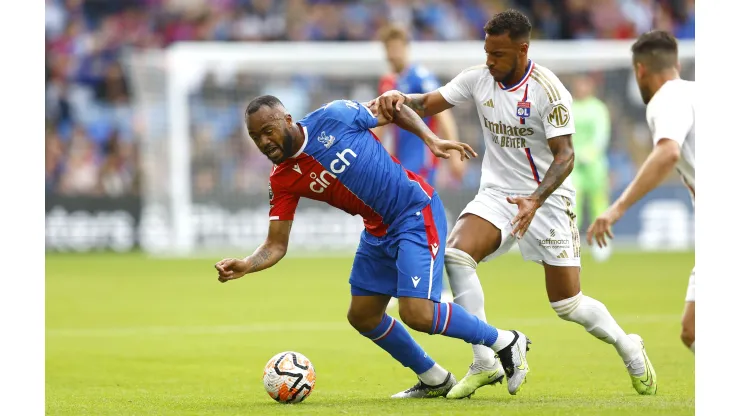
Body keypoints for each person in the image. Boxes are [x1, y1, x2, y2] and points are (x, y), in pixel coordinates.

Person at [373, 9, 656, 398]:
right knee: (456, 256)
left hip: (549, 201)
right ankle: (486, 360)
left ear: (523, 50)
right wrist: (398, 99)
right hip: (497, 195)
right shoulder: (478, 77)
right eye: (487, 52)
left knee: (568, 303)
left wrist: (536, 201)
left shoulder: (550, 91)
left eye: (498, 54)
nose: (489, 61)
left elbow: (565, 156)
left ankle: (628, 345)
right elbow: (425, 103)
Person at [214, 95, 532, 398]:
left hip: (413, 212)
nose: (263, 142)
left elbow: (394, 108)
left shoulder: (334, 116)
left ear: (287, 120)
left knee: (417, 313)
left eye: (268, 131)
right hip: (377, 229)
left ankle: (505, 340)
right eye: (256, 137)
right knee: (364, 316)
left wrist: (430, 140)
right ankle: (434, 378)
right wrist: (246, 264)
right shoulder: (282, 179)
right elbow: (275, 245)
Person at [587, 30, 695, 354]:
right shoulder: (699, 92)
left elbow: (667, 153)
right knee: (693, 330)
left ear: (640, 71)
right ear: (675, 63)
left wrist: (616, 209)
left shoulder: (666, 99)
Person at [376, 23, 462, 306]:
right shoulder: (387, 83)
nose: (393, 52)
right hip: (399, 164)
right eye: (389, 48)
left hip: (423, 162)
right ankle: (398, 285)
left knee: (424, 222)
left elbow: (443, 113)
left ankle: (439, 286)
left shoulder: (420, 77)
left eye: (397, 46)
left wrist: (455, 154)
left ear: (405, 47)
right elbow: (380, 126)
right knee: (396, 222)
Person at [570, 74, 613, 262]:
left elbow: (601, 135)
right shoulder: (570, 107)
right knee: (572, 204)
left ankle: (601, 242)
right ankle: (571, 242)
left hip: (594, 164)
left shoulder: (598, 108)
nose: (582, 88)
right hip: (572, 163)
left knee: (599, 203)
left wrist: (591, 152)